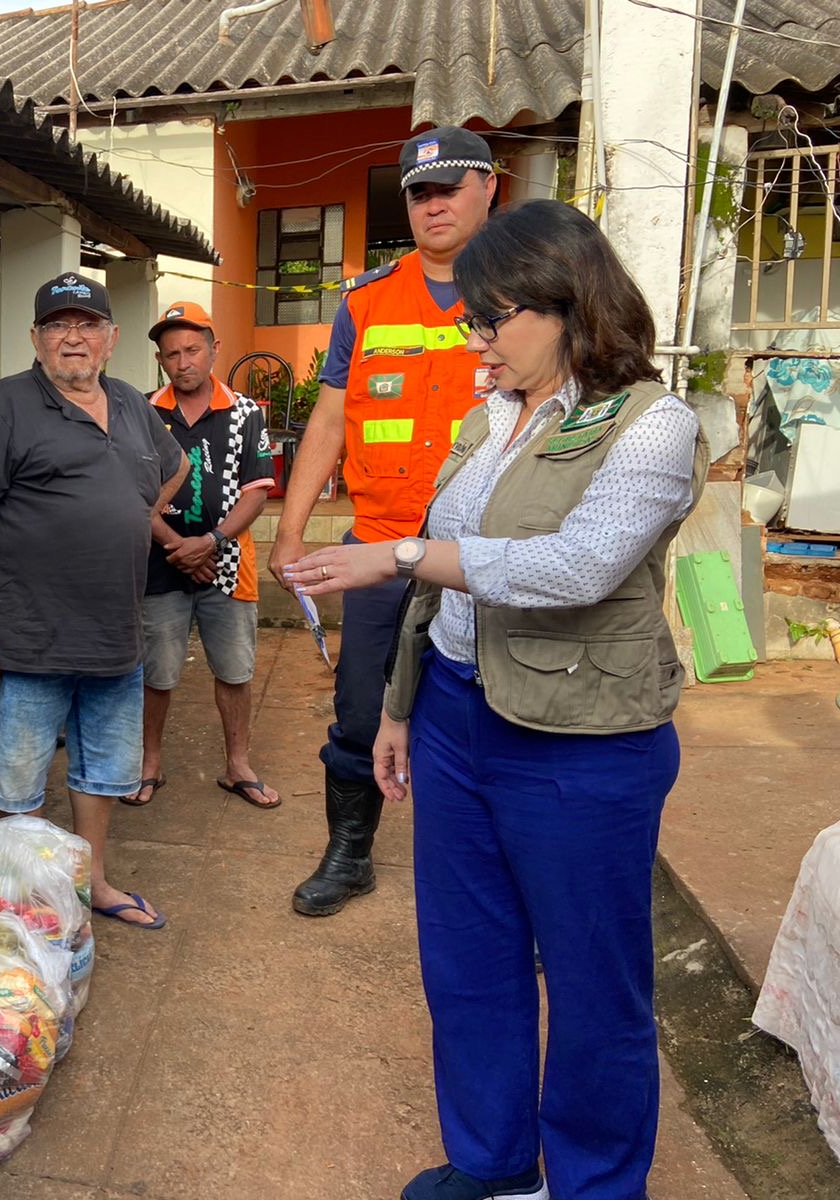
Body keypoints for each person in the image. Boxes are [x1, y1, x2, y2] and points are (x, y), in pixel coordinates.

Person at [287, 199, 706, 1200]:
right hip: (455, 719)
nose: (477, 340)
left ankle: (597, 1184)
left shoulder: (653, 426)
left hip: (578, 745)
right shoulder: (490, 416)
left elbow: (574, 568)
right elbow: (445, 584)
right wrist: (399, 707)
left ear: (566, 304)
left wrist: (387, 551)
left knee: (594, 983)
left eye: (491, 318)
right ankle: (496, 1163)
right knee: (468, 967)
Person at [268, 126, 498, 917]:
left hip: (481, 552)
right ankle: (349, 854)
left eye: (451, 188)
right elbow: (328, 423)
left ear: (489, 189)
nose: (434, 205)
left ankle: (510, 882)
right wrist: (292, 532)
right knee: (362, 710)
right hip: (376, 549)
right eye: (420, 193)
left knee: (495, 716)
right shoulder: (365, 302)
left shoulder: (524, 289)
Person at [0, 273, 188, 930]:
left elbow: (176, 469)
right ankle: (14, 904)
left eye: (87, 325)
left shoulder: (134, 406)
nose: (73, 337)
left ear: (111, 340)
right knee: (16, 781)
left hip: (115, 634)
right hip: (31, 638)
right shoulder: (9, 404)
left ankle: (93, 885)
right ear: (35, 338)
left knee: (104, 774)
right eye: (58, 325)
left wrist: (134, 514)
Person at [131, 300, 279, 809]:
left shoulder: (245, 412)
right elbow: (134, 496)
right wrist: (179, 548)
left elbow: (256, 491)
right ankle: (149, 765)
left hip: (229, 566)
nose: (183, 361)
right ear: (161, 360)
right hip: (159, 565)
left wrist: (211, 542)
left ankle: (237, 765)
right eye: (171, 353)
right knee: (157, 673)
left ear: (214, 350)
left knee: (235, 671)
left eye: (193, 349)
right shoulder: (145, 413)